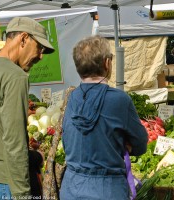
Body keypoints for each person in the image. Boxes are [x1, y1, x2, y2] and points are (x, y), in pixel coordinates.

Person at [60, 36, 148, 200]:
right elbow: (140, 143)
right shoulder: (119, 100)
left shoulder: (71, 99)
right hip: (107, 189)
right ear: (107, 63)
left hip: (71, 188)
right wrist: (125, 146)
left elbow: (68, 142)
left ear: (78, 67)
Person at [0, 17, 54, 199]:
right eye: (39, 48)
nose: (41, 56)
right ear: (24, 39)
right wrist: (23, 194)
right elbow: (14, 142)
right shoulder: (15, 76)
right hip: (3, 183)